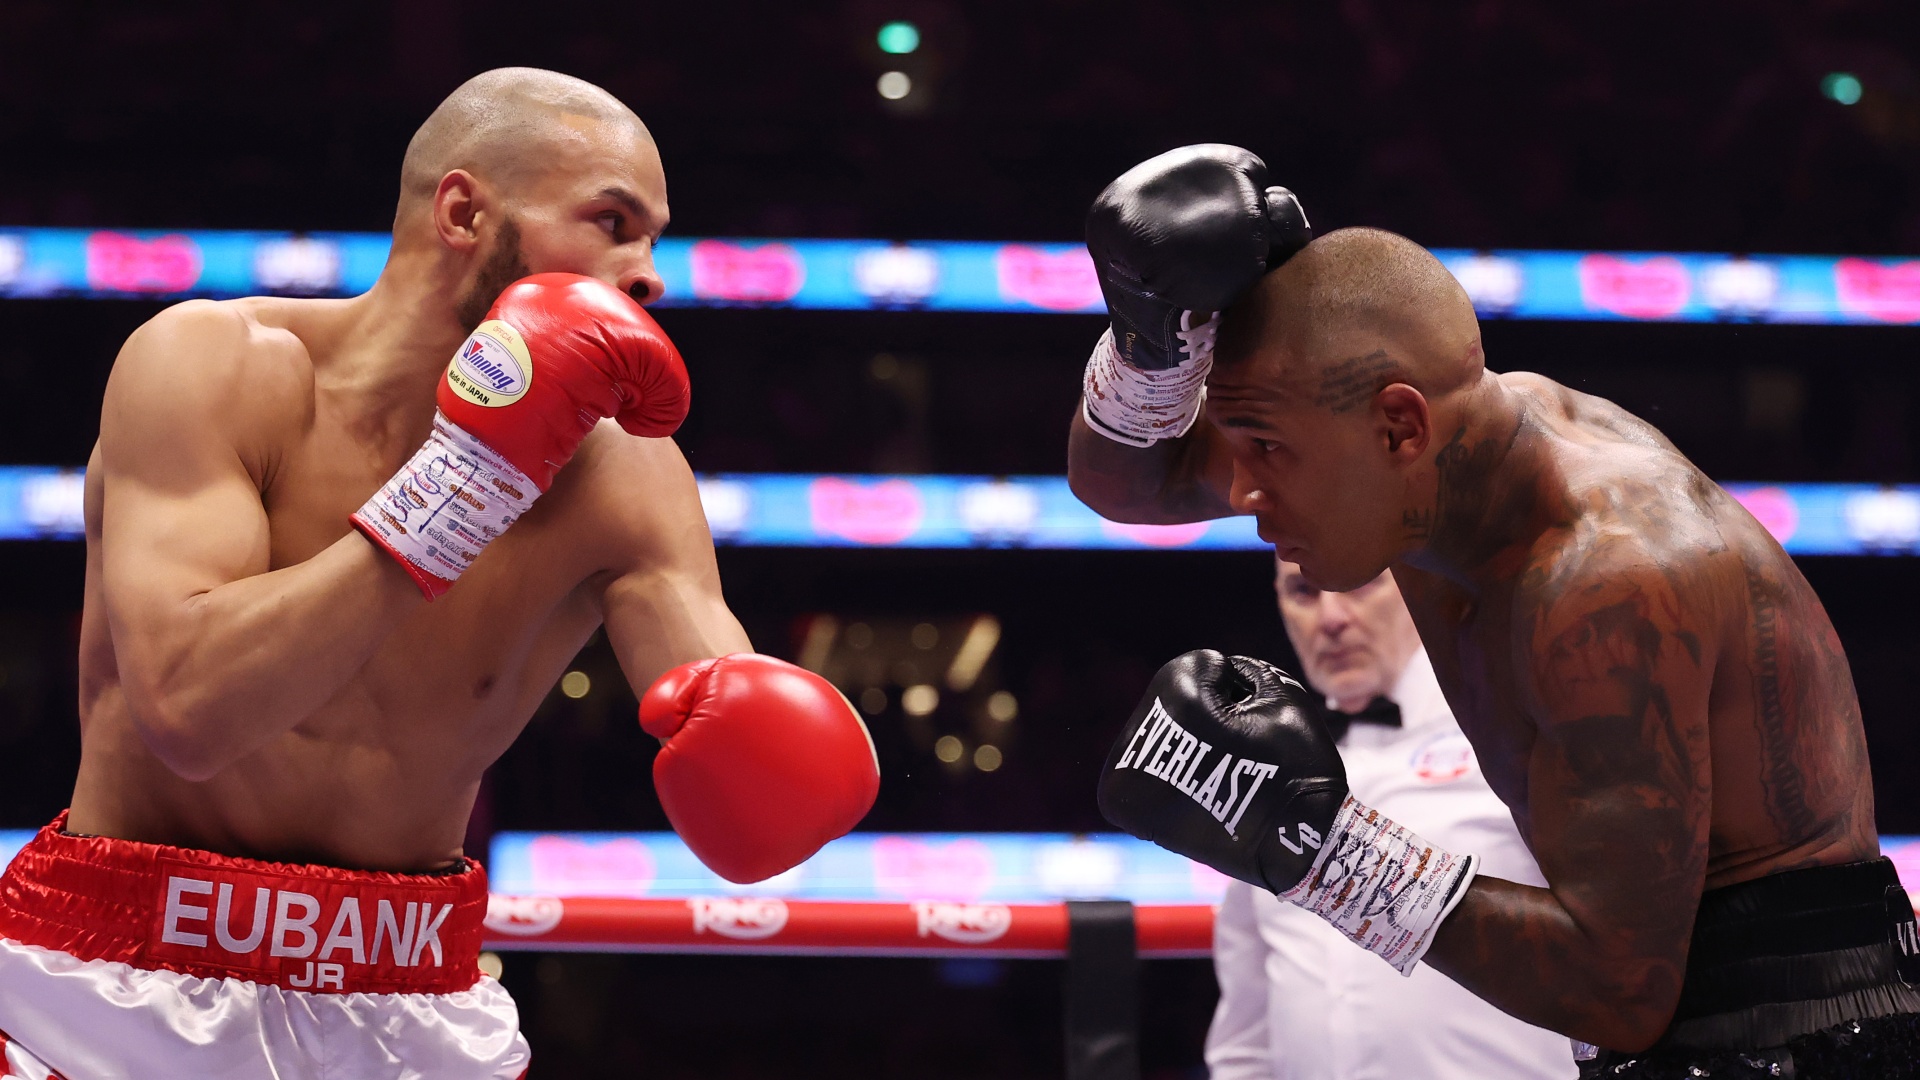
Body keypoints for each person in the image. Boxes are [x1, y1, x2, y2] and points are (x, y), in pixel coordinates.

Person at [0, 68, 880, 1079]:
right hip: (112, 991)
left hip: (411, 1000)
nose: (648, 276)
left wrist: (777, 747)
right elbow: (191, 711)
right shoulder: (216, 367)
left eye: (653, 240)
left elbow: (739, 731)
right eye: (611, 222)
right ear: (463, 213)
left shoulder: (623, 476)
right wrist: (462, 487)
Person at [1078, 145, 1920, 1077]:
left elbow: (1621, 991)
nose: (1241, 493)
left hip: (1800, 1035)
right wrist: (1150, 353)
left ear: (1400, 427)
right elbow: (1130, 482)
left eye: (1267, 451)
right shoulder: (1416, 454)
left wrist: (1318, 849)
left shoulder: (1607, 578)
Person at [1206, 557, 1574, 1079]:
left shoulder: (1512, 734)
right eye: (1303, 591)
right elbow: (1245, 1041)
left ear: (1418, 585)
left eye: (1358, 583)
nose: (1331, 617)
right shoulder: (1264, 778)